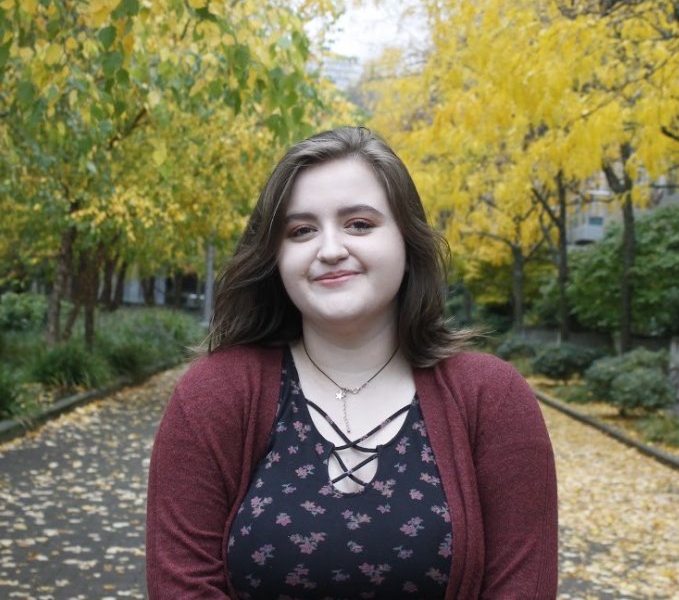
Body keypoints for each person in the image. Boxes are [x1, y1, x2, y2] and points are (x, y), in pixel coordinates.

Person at [146, 126, 558, 599]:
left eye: (359, 224)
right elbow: (182, 585)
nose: (330, 250)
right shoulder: (212, 395)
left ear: (407, 240)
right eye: (301, 231)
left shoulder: (492, 398)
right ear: (275, 257)